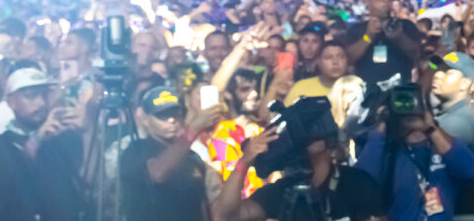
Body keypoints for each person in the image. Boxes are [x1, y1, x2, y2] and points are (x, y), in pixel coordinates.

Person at [212, 121, 385, 221]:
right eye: (303, 130)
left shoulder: (357, 183)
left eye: (315, 129)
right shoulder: (285, 190)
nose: (310, 135)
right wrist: (245, 160)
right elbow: (224, 215)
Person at [356, 92, 474, 221]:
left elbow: (470, 170)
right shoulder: (388, 152)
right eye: (402, 106)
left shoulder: (442, 146)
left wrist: (431, 127)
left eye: (414, 105)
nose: (410, 111)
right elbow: (361, 184)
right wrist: (382, 124)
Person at [0, 67, 86, 220]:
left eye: (44, 95)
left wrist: (87, 130)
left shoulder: (60, 137)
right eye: (31, 96)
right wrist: (38, 138)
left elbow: (87, 179)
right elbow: (14, 176)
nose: (40, 103)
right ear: (11, 101)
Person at [121, 85, 222, 221]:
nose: (171, 120)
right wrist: (192, 130)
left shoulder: (192, 157)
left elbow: (207, 207)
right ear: (145, 119)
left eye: (175, 113)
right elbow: (157, 173)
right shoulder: (135, 150)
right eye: (162, 115)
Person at [345, 0, 422, 85]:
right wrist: (368, 37)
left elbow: (416, 53)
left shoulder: (405, 26)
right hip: (367, 92)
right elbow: (349, 58)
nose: (385, 0)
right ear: (367, 0)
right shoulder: (356, 29)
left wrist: (399, 37)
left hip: (399, 91)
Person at [430, 51, 474, 154]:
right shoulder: (463, 113)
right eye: (439, 70)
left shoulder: (456, 122)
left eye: (448, 72)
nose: (437, 75)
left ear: (464, 83)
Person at [285, 40, 349, 105]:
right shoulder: (300, 88)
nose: (335, 62)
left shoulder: (356, 88)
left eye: (341, 57)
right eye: (328, 57)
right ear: (319, 62)